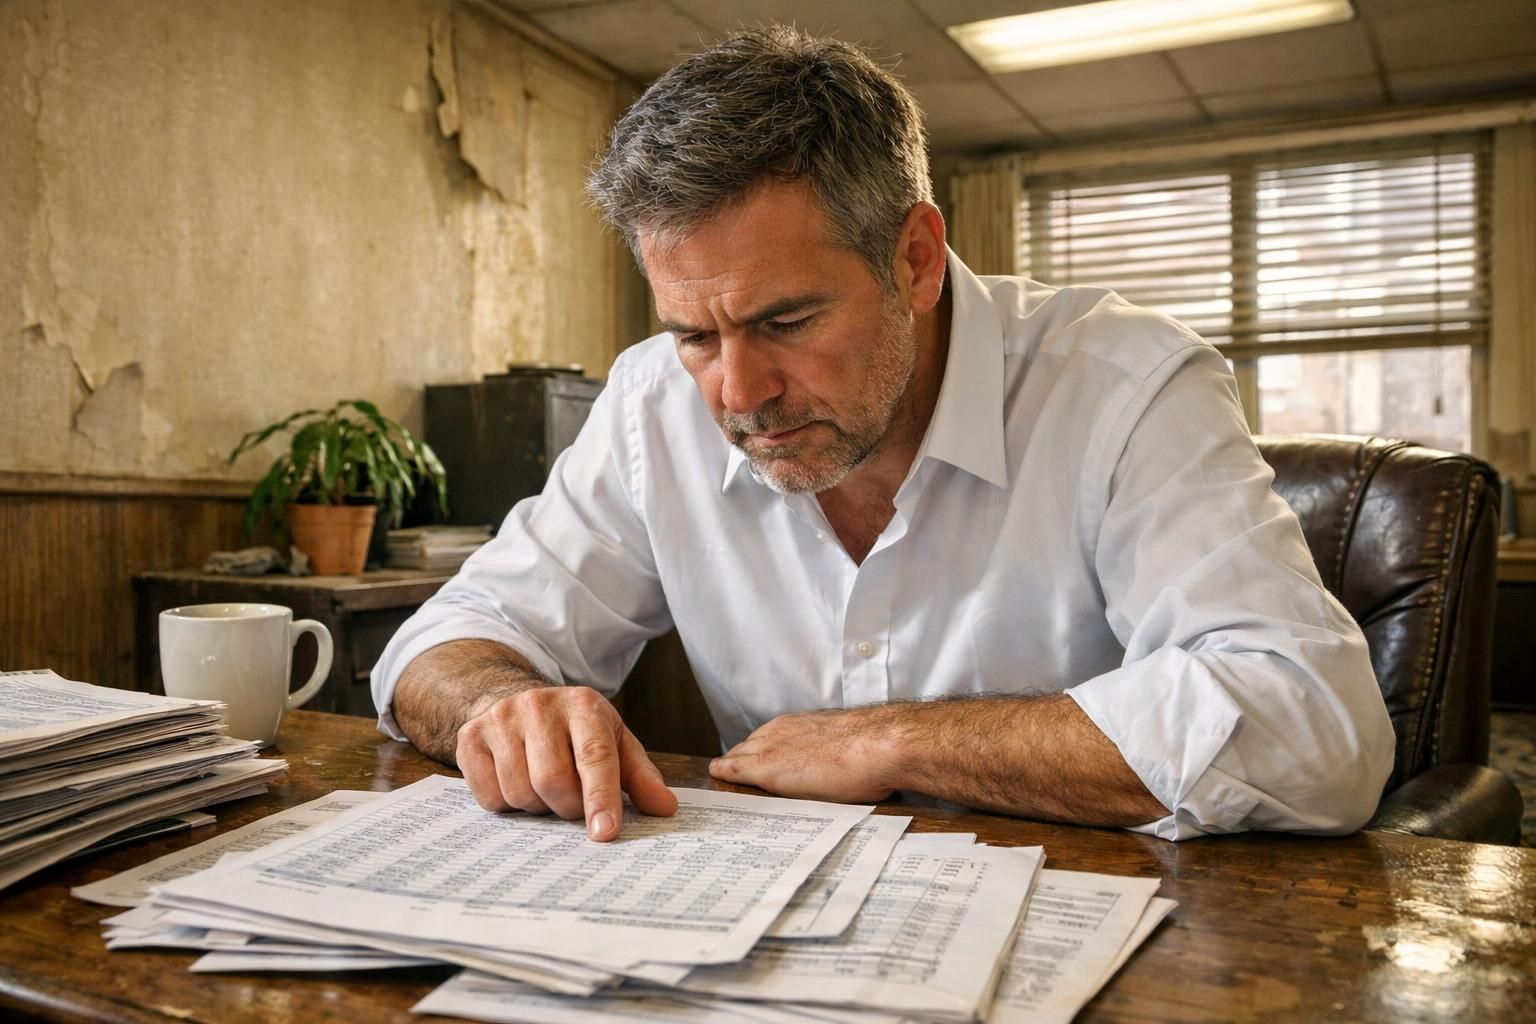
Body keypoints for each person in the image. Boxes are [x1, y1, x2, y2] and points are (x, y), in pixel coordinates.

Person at [372, 26, 1395, 844]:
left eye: (786, 322)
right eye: (693, 332)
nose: (739, 392)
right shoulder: (653, 405)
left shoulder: (1124, 385)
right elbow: (442, 644)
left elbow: (1314, 724)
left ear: (914, 257)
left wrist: (897, 741)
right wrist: (498, 708)